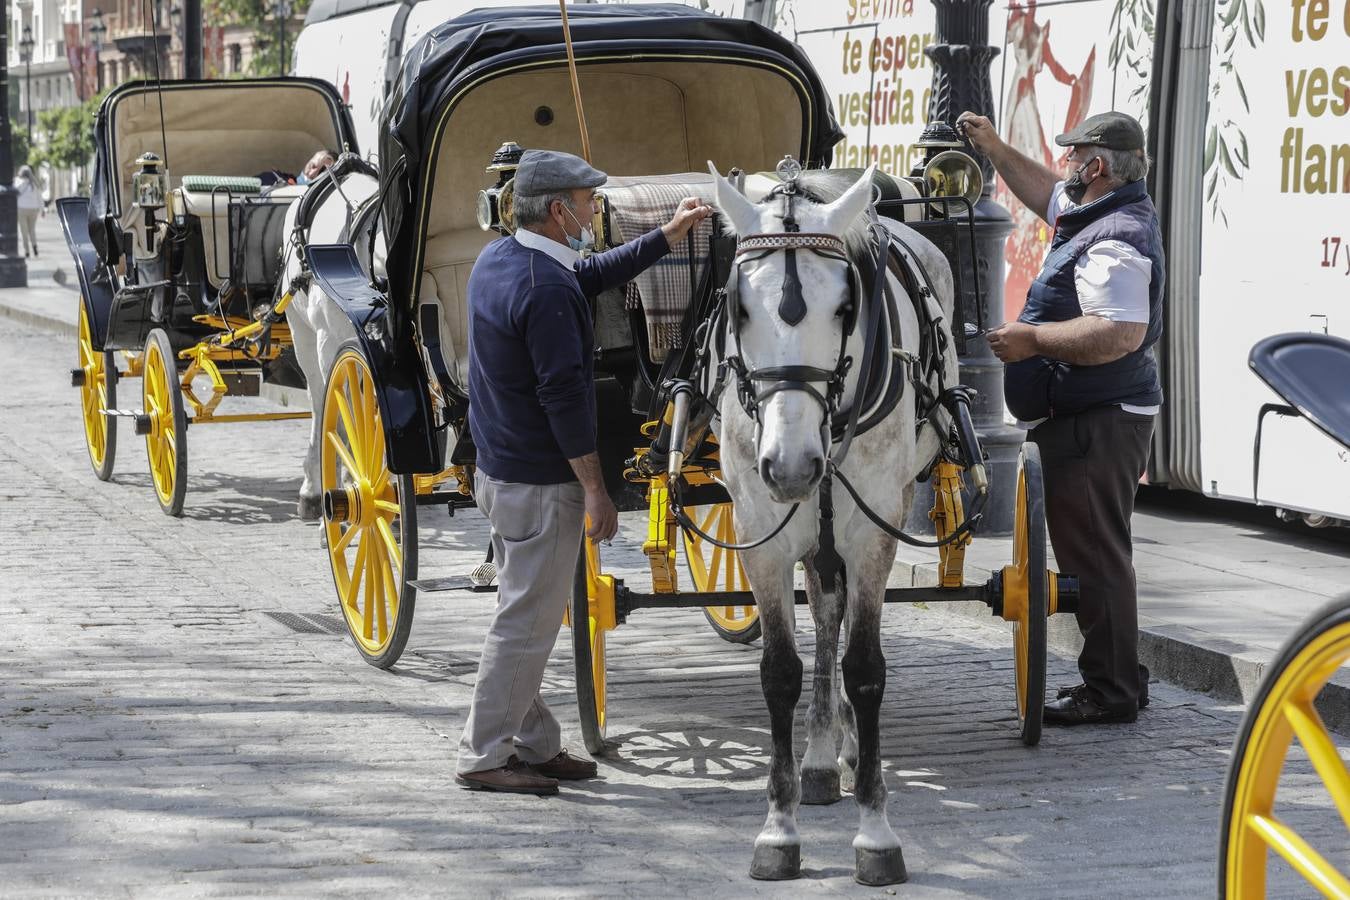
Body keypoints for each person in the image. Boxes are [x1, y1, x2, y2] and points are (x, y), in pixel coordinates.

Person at [456, 149, 711, 794]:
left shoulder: (503, 260)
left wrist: (665, 237)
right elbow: (565, 400)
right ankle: (483, 756)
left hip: (501, 471)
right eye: (589, 200)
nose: (596, 210)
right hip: (540, 483)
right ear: (560, 211)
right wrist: (597, 490)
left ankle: (535, 744)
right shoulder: (544, 289)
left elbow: (588, 275)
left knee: (528, 615)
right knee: (526, 621)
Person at [957, 109, 1162, 726]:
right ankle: (1122, 673)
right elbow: (1044, 190)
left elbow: (1119, 332)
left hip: (1099, 421)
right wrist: (993, 147)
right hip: (1091, 414)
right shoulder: (1095, 210)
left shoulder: (1117, 235)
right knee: (1096, 552)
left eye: (1075, 157)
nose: (1066, 165)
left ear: (1097, 168)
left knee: (1095, 557)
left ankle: (1113, 691)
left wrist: (1034, 341)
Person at [13, 166, 42, 258]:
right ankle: (34, 246)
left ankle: (27, 251)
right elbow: (39, 197)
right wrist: (42, 209)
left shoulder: (17, 182)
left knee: (24, 231)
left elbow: (14, 193)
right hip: (34, 209)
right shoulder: (35, 184)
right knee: (32, 230)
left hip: (21, 209)